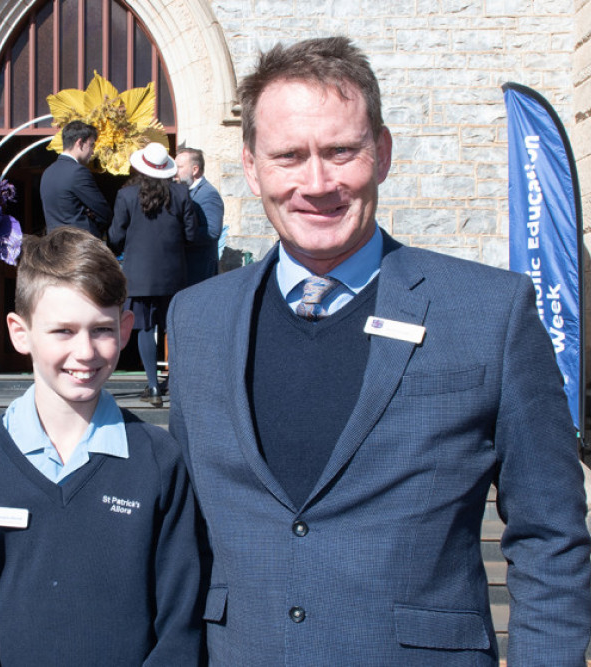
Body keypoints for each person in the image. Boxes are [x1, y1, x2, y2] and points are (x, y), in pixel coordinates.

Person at [167, 36, 591, 665]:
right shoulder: (198, 319)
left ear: (383, 153)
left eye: (342, 151)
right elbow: (186, 534)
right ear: (252, 166)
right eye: (289, 156)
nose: (317, 183)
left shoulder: (489, 314)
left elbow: (551, 537)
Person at [0, 228, 202, 667]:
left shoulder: (158, 461)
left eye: (101, 330)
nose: (84, 352)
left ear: (124, 330)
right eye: (62, 331)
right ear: (20, 333)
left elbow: (181, 617)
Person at [109, 142, 198, 406]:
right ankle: (172, 382)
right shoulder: (182, 193)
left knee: (145, 329)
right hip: (173, 273)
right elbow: (192, 235)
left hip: (139, 274)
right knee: (173, 327)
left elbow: (115, 236)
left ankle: (152, 386)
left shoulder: (127, 196)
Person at [40, 120, 113, 236]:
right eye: (91, 145)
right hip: (79, 245)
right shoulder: (78, 172)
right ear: (80, 143)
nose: (93, 151)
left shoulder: (47, 172)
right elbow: (104, 212)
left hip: (54, 245)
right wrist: (92, 219)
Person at [176, 147, 224, 285]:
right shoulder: (185, 191)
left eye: (179, 167)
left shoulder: (208, 194)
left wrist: (181, 234)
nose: (175, 172)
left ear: (195, 170)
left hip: (199, 271)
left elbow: (213, 232)